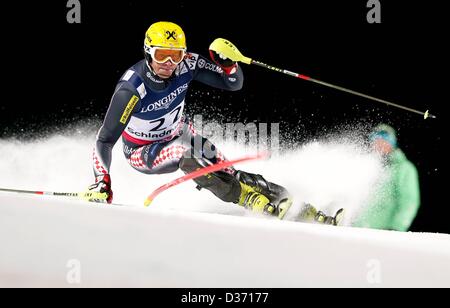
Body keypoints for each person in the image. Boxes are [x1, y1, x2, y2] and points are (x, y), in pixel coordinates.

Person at [87, 21, 338, 223]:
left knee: (229, 171)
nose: (169, 64)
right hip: (143, 152)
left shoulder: (187, 65)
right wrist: (102, 180)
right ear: (147, 52)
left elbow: (233, 84)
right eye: (161, 55)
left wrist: (228, 66)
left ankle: (302, 209)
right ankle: (246, 199)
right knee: (186, 154)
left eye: (175, 55)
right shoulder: (131, 89)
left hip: (181, 133)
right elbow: (105, 139)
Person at [353, 124, 421, 231]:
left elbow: (409, 201)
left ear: (391, 143)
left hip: (383, 231)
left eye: (383, 140)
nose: (378, 144)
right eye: (375, 140)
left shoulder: (404, 168)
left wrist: (397, 227)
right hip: (358, 229)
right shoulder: (368, 167)